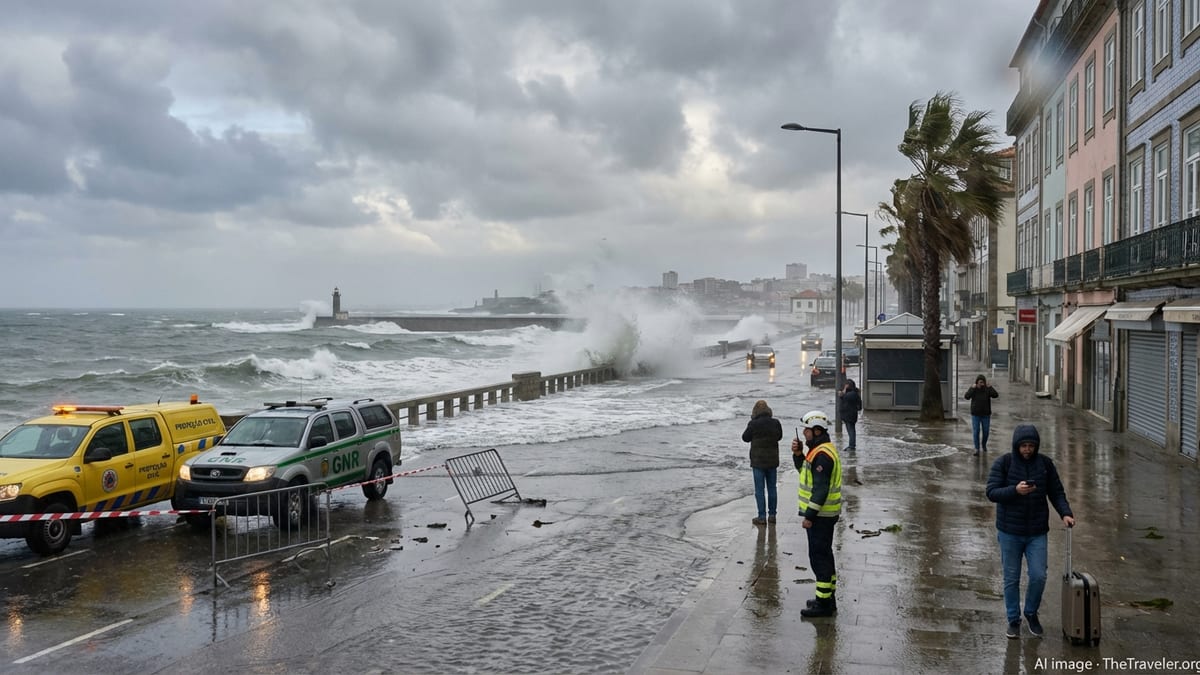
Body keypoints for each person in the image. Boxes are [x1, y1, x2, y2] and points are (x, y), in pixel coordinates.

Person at [985, 424, 1075, 640]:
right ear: (1017, 446)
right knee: (1011, 578)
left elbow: (1056, 491)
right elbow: (992, 492)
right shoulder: (1004, 463)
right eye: (1023, 446)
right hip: (1009, 531)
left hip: (1036, 531)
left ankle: (1031, 612)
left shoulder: (1045, 465)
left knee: (1038, 575)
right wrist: (1015, 491)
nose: (1027, 449)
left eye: (1031, 446)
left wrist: (1065, 512)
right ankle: (1013, 620)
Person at [790, 410, 843, 618]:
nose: (804, 433)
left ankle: (824, 605)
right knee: (825, 556)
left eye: (807, 430)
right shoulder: (818, 450)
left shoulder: (822, 455)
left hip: (821, 516)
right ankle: (827, 598)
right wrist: (798, 455)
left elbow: (820, 489)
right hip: (825, 516)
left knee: (819, 557)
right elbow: (805, 472)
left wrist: (809, 516)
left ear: (817, 430)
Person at [742, 399, 783, 525]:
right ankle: (772, 515)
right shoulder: (775, 423)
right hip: (772, 461)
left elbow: (745, 438)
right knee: (772, 488)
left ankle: (761, 517)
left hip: (758, 462)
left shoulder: (753, 424)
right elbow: (779, 437)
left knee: (759, 490)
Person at [965, 374, 999, 456]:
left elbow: (996, 395)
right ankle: (977, 448)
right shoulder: (974, 389)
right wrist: (971, 388)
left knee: (986, 432)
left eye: (983, 382)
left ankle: (984, 444)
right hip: (975, 415)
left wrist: (990, 387)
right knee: (976, 431)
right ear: (977, 382)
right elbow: (966, 396)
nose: (981, 384)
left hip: (986, 415)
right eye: (980, 382)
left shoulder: (987, 389)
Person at [839, 379, 863, 451]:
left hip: (849, 416)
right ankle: (851, 445)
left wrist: (844, 390)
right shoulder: (854, 393)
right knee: (851, 430)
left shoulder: (851, 394)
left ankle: (852, 446)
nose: (844, 386)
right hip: (850, 416)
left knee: (851, 431)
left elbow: (843, 396)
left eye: (846, 385)